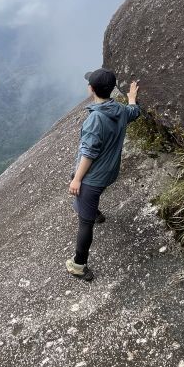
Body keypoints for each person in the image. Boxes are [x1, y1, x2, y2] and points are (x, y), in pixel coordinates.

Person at [66, 68, 140, 281]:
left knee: (84, 223)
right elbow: (134, 112)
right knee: (90, 194)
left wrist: (77, 179)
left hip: (92, 177)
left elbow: (88, 153)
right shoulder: (119, 109)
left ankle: (79, 265)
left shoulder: (96, 118)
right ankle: (96, 211)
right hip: (109, 172)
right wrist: (132, 99)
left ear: (91, 89)